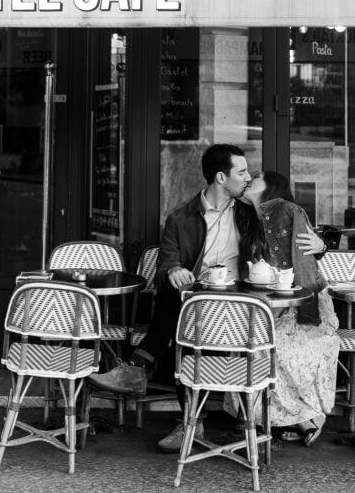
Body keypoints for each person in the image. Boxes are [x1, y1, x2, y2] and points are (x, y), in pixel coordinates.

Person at [90, 142, 254, 452]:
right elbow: (166, 264)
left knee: (174, 311)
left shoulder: (249, 214)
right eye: (242, 172)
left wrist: (319, 245)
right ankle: (191, 420)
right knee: (177, 307)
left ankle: (139, 371)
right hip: (197, 304)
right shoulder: (180, 218)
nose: (248, 178)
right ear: (221, 177)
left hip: (239, 306)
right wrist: (175, 271)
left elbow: (284, 229)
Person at [232, 170, 340, 446]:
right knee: (250, 343)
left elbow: (303, 264)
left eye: (255, 177)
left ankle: (306, 416)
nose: (248, 180)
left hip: (299, 302)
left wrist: (305, 312)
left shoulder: (287, 210)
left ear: (271, 187)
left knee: (281, 347)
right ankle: (264, 418)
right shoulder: (249, 217)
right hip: (267, 303)